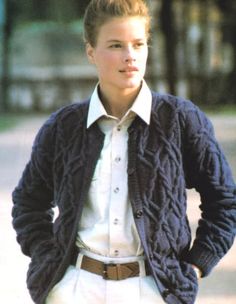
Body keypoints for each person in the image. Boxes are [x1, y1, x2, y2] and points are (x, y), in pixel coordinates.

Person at [12, 0, 236, 303]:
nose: (130, 56)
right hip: (75, 289)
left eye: (138, 44)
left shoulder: (181, 120)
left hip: (154, 290)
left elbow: (224, 201)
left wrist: (195, 267)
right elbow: (28, 202)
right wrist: (47, 264)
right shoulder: (63, 127)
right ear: (91, 51)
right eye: (116, 45)